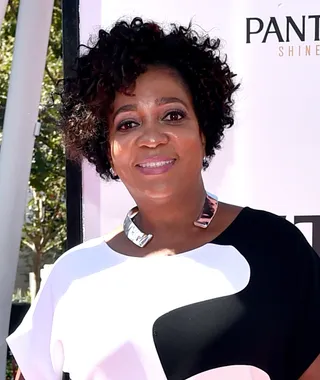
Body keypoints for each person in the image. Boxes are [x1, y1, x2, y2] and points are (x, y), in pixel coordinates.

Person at [7, 17, 320, 380]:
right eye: (127, 123)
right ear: (107, 149)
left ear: (203, 130)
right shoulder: (71, 275)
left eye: (172, 115)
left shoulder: (277, 248)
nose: (151, 137)